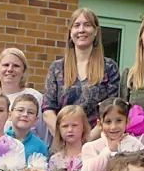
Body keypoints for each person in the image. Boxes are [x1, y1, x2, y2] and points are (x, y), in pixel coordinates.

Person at [43, 8, 122, 136]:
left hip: (96, 143)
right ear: (70, 32)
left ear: (96, 31)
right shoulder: (57, 68)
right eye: (76, 25)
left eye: (87, 25)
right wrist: (64, 138)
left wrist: (87, 142)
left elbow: (111, 110)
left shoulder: (109, 67)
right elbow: (48, 110)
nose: (81, 30)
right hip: (63, 144)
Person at [7, 91, 50, 166]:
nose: (25, 114)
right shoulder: (0, 140)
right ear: (10, 115)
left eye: (30, 112)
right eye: (20, 110)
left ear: (36, 120)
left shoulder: (40, 146)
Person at [49, 105, 90, 171]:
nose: (70, 130)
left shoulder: (91, 155)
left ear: (83, 127)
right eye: (65, 126)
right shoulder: (55, 160)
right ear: (59, 129)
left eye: (74, 125)